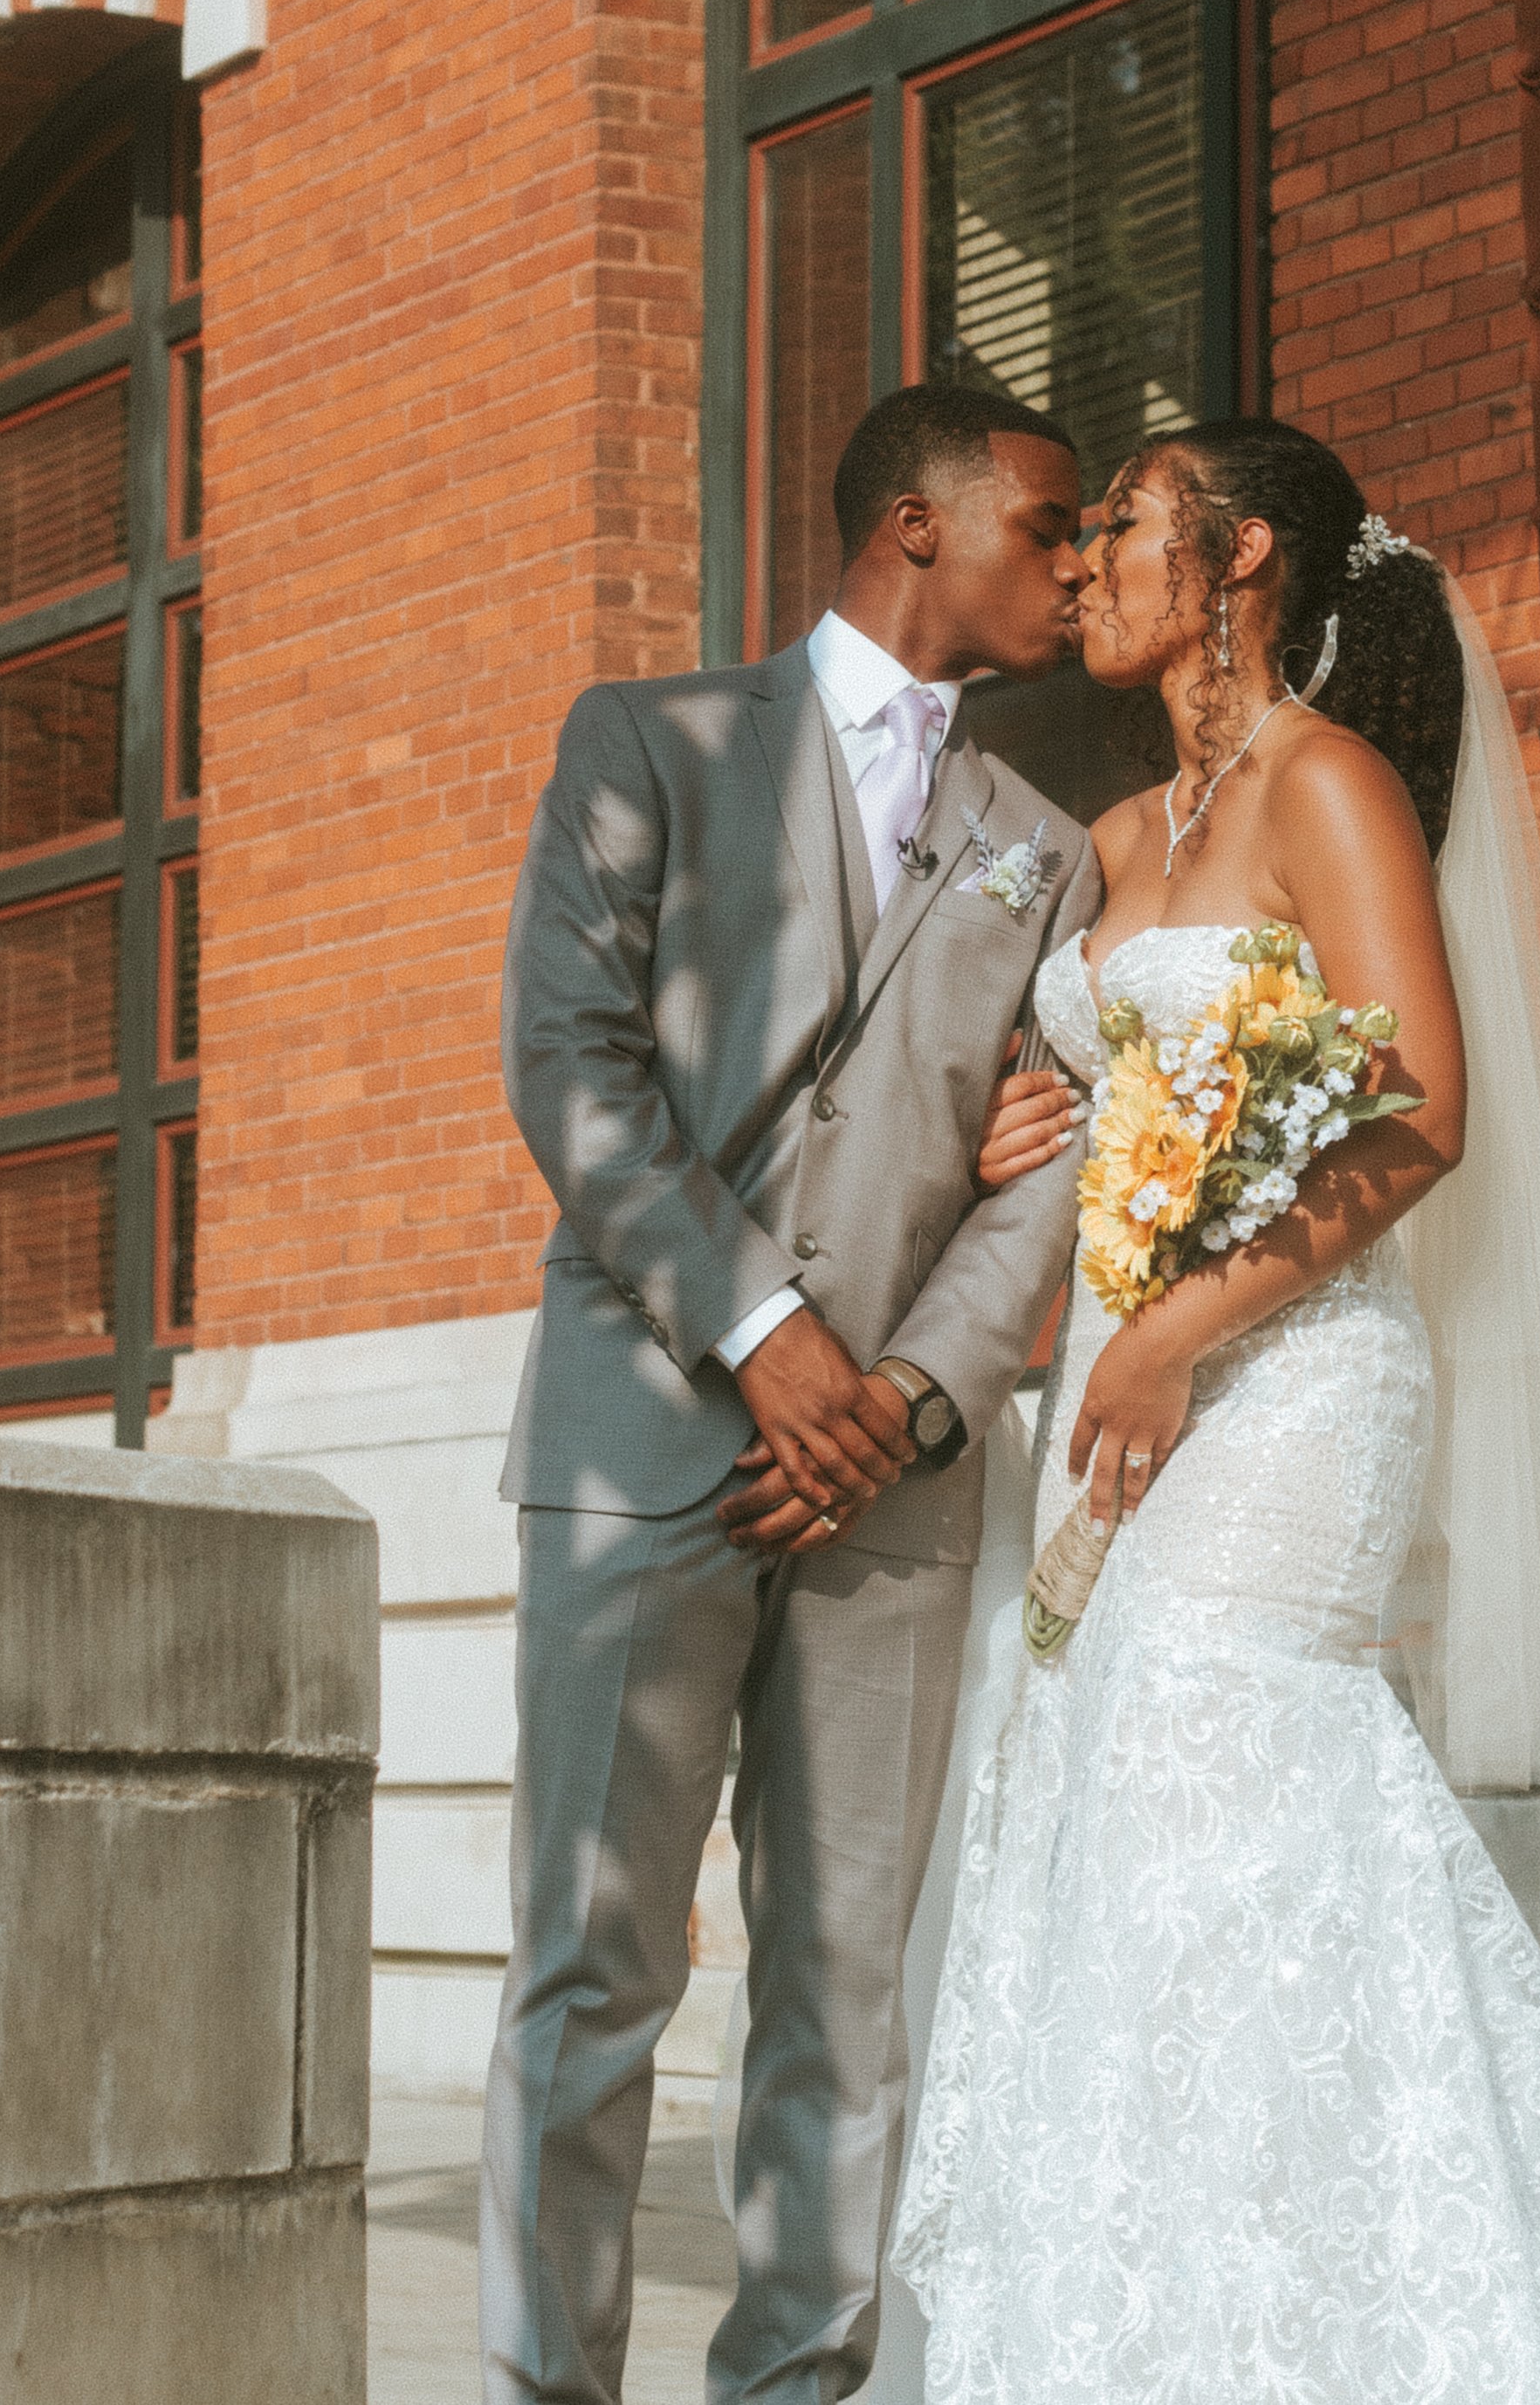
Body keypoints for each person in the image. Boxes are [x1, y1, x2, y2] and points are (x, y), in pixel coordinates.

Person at [891, 415, 1540, 2405]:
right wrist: (1017, 1127)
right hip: (1110, 1390)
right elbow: (1108, 1105)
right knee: (1088, 1829)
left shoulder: (1328, 790)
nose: (1082, 567)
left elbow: (1415, 1104)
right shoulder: (1123, 837)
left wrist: (1171, 1337)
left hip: (1292, 1387)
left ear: (1235, 559)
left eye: (1124, 526)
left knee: (1211, 1791)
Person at [480, 382, 1102, 2405]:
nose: (1074, 563)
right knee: (592, 1981)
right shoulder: (643, 742)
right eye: (1045, 524)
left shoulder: (1046, 854)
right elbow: (573, 1069)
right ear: (915, 524)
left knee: (843, 2004)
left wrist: (908, 1401)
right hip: (643, 1452)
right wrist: (771, 1341)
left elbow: (1058, 1167)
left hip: (889, 1502)